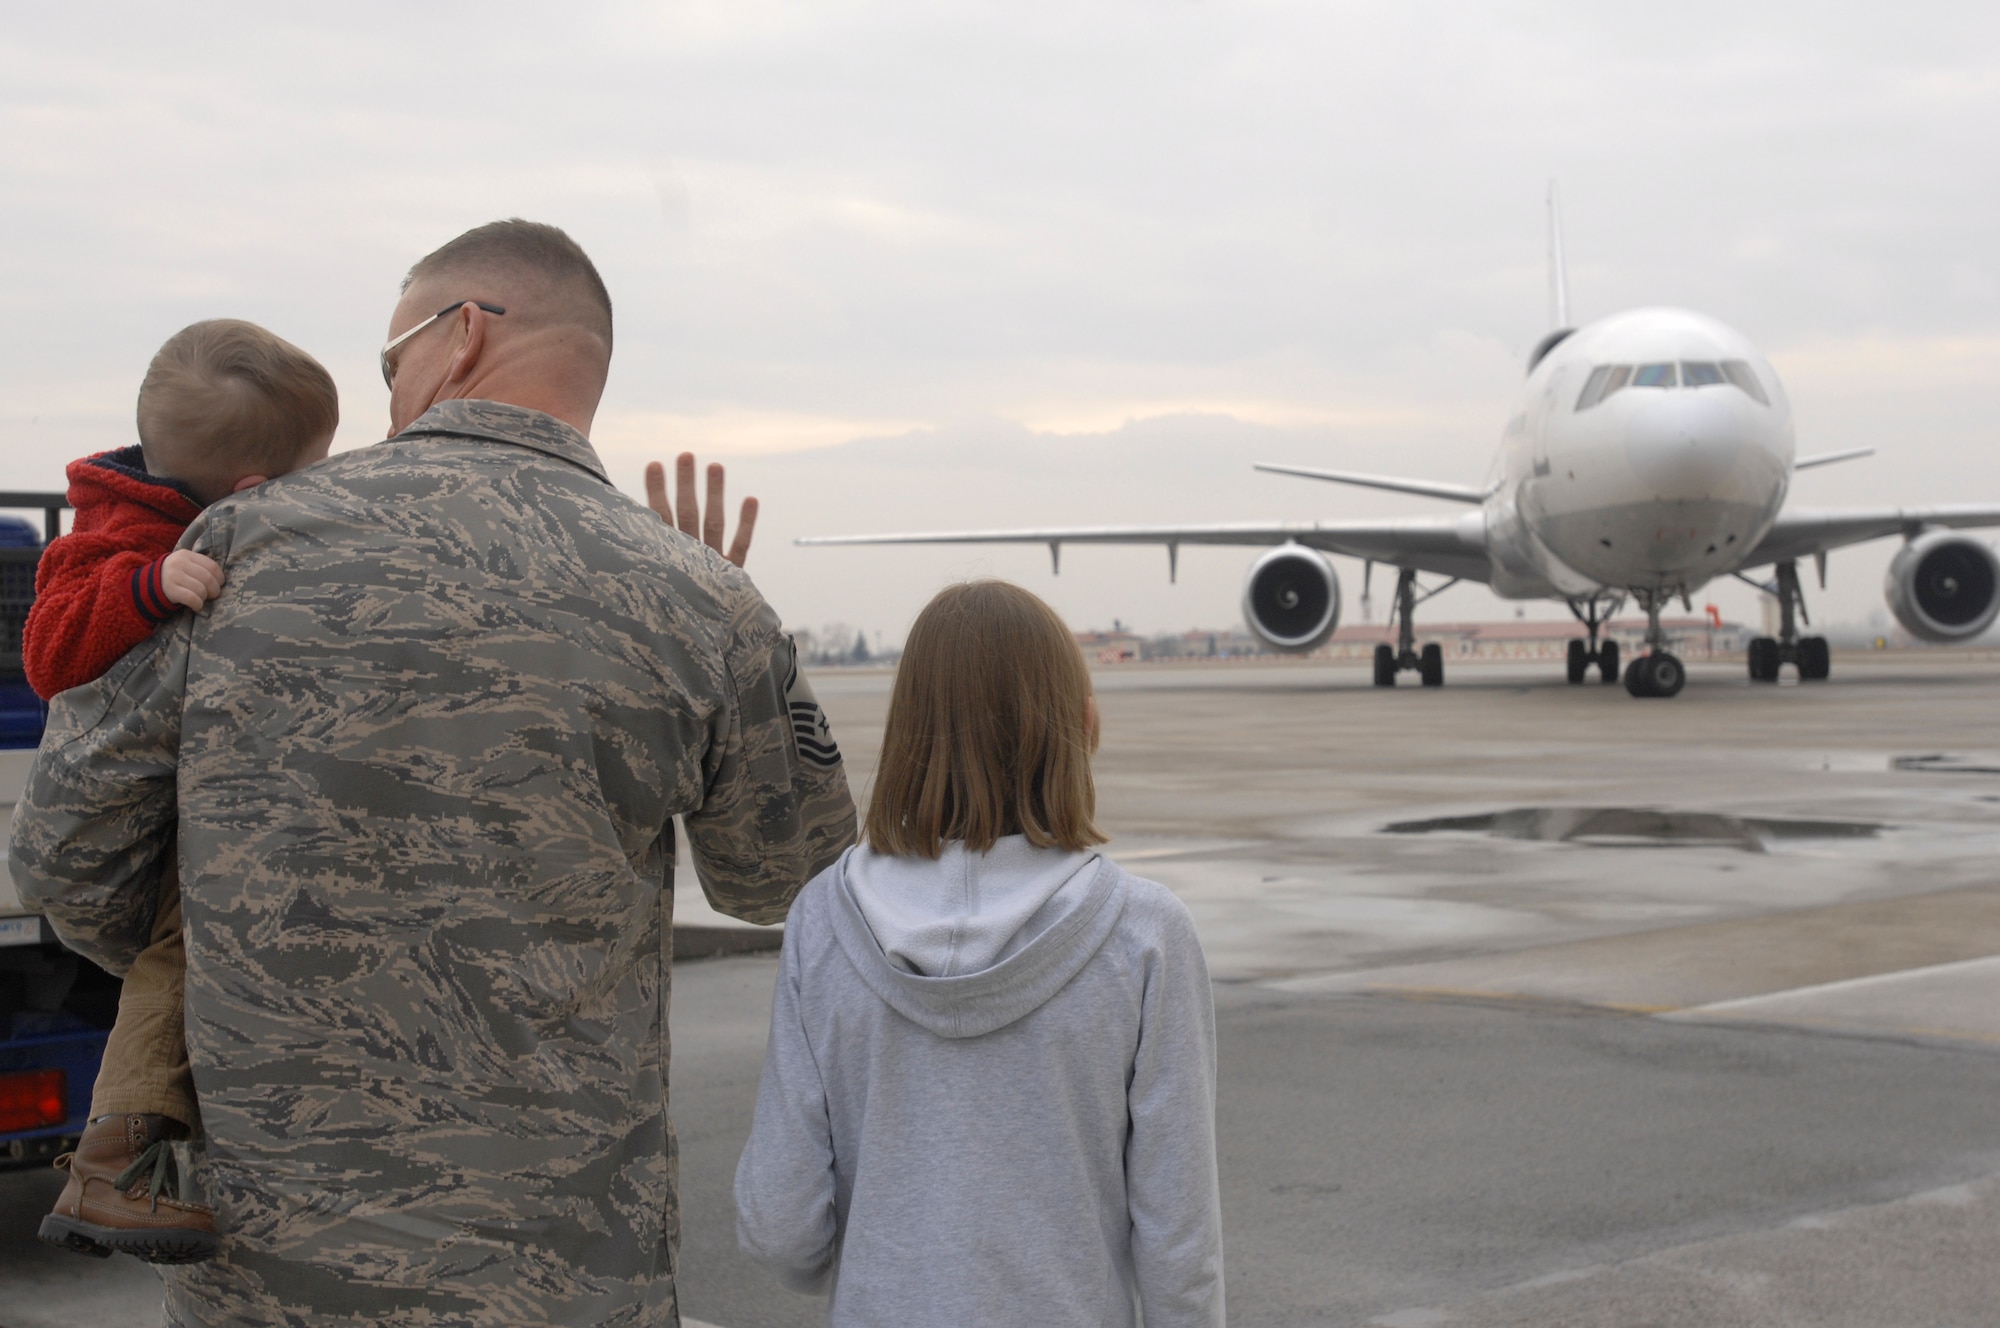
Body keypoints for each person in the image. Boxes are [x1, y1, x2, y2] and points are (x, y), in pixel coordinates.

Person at [10, 218, 857, 1327]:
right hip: (559, 1273)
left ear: (459, 335)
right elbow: (786, 876)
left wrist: (236, 959)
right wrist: (742, 626)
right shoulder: (692, 595)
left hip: (270, 1271)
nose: (386, 389)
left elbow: (65, 861)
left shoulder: (233, 548)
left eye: (388, 358)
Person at [734, 580, 1226, 1327]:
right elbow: (1179, 1245)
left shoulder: (822, 923)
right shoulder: (1146, 934)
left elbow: (781, 1227)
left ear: (907, 734)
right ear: (1084, 727)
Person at [27, 318, 340, 1264]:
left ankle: (147, 1160)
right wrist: (145, 586)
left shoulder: (181, 505)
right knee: (185, 952)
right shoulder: (118, 535)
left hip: (180, 798)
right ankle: (111, 1162)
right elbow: (49, 654)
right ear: (253, 493)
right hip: (150, 818)